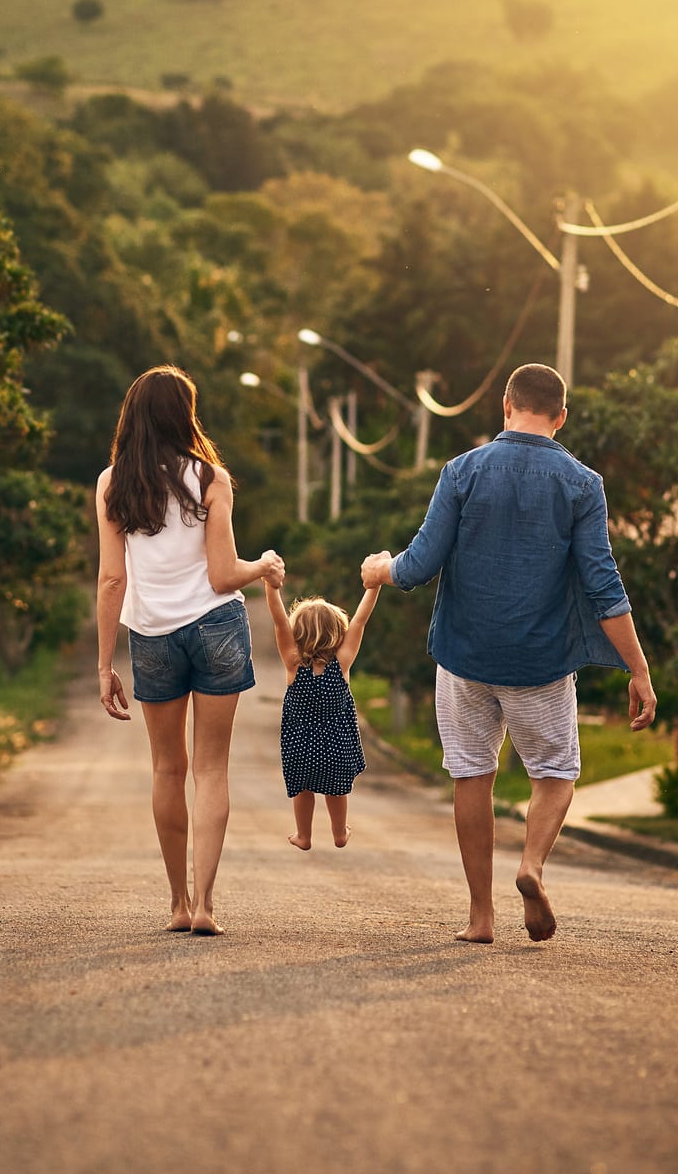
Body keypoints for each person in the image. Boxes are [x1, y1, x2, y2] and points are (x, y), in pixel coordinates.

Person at [361, 360, 655, 947]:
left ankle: (480, 917)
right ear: (561, 417)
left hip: (464, 657)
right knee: (556, 772)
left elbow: (417, 566)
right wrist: (639, 670)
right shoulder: (582, 484)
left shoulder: (462, 471)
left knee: (472, 774)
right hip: (539, 664)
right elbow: (603, 585)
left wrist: (379, 569)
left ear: (505, 404)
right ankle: (533, 866)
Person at [96, 365, 283, 936]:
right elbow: (225, 575)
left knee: (166, 769)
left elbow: (110, 580)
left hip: (151, 636)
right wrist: (265, 566)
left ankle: (177, 903)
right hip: (216, 629)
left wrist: (104, 665)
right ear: (186, 414)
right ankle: (206, 904)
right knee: (211, 770)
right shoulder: (210, 477)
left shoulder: (113, 483)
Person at [263, 575, 378, 851]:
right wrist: (374, 586)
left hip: (300, 749)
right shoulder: (341, 664)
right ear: (338, 632)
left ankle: (304, 835)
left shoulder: (294, 664)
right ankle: (339, 832)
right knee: (336, 790)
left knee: (303, 790)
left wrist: (270, 586)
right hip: (336, 749)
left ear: (297, 634)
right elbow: (360, 621)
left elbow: (279, 621)